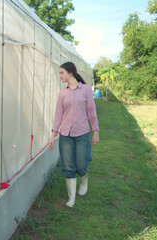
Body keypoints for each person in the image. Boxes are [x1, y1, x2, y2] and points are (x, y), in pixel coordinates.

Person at [48, 62, 99, 208]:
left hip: (82, 133)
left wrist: (95, 131)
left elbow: (91, 112)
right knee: (68, 165)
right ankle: (71, 198)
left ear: (70, 73)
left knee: (82, 163)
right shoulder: (62, 93)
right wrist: (53, 135)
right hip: (65, 134)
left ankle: (84, 179)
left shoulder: (86, 90)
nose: (60, 76)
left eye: (61, 73)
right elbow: (58, 115)